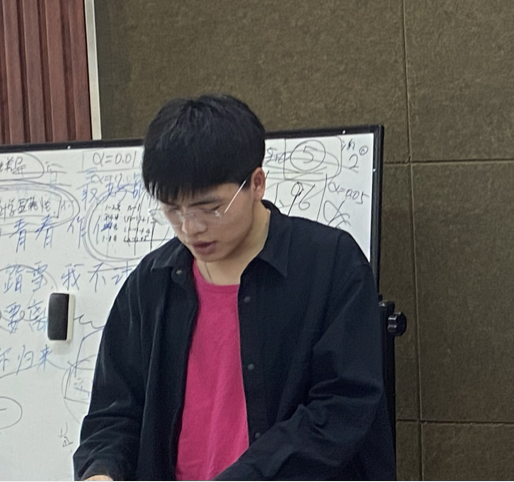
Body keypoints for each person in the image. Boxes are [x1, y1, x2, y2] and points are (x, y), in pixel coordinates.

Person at [74, 95, 394, 480]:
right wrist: (101, 471)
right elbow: (114, 412)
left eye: (211, 208)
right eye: (172, 209)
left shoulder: (330, 264)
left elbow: (342, 406)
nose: (190, 227)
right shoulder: (151, 282)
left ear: (256, 183)